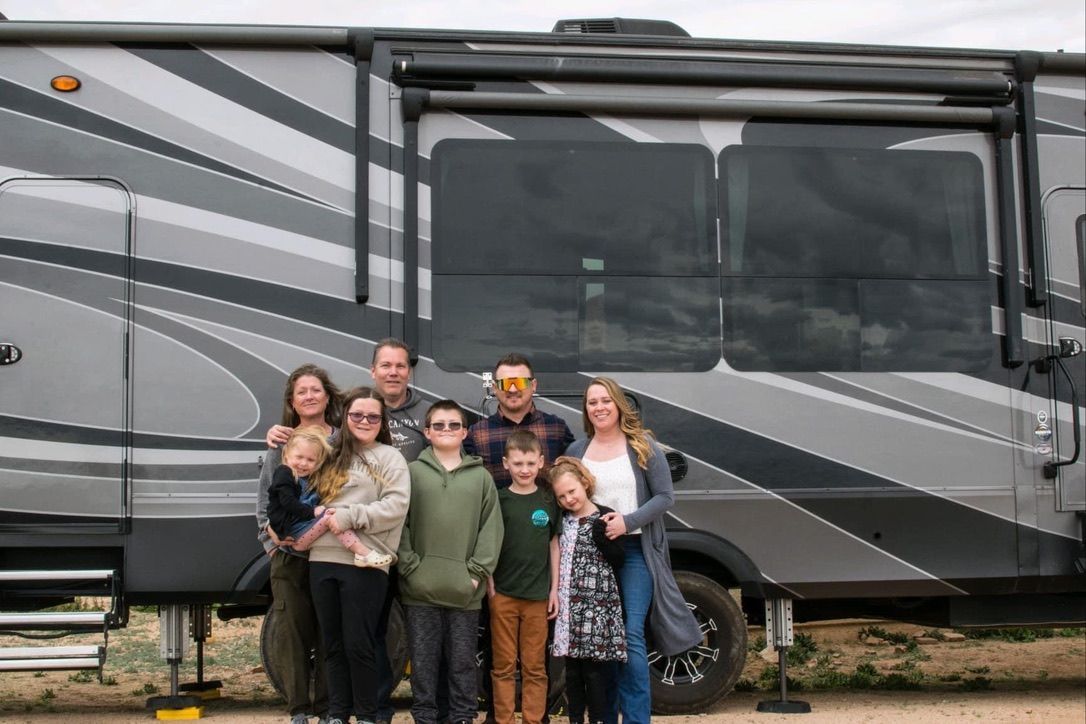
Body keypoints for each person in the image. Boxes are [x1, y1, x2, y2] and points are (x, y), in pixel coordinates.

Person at [566, 377, 702, 724]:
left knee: (630, 634)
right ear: (586, 409)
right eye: (592, 402)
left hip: (635, 551)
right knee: (603, 640)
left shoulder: (642, 446)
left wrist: (628, 521)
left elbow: (665, 497)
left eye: (605, 400)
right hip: (592, 556)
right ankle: (605, 716)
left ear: (618, 405)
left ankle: (637, 719)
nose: (599, 407)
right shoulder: (577, 452)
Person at [307, 387, 410, 724]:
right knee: (332, 644)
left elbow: (395, 507)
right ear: (345, 417)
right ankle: (337, 713)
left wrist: (348, 516)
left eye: (372, 416)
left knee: (359, 643)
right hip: (321, 558)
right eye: (357, 415)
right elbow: (304, 488)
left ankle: (366, 714)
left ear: (382, 422)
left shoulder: (389, 458)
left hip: (366, 562)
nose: (364, 421)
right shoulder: (328, 453)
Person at [398, 400, 505, 724]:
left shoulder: (481, 478)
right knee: (424, 662)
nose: (447, 430)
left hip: (465, 593)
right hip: (420, 592)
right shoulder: (412, 473)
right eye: (439, 425)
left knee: (461, 662)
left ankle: (462, 717)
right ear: (427, 432)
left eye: (454, 425)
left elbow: (492, 529)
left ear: (465, 432)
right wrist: (411, 568)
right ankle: (425, 717)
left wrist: (475, 574)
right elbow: (398, 524)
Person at [256, 363, 342, 724]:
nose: (309, 396)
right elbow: (264, 499)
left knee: (328, 630)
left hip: (331, 552)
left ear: (327, 396)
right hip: (288, 556)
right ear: (292, 400)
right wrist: (271, 540)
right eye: (301, 391)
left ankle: (327, 708)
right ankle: (298, 709)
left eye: (315, 390)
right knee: (291, 632)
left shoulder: (341, 441)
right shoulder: (281, 443)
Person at [488, 430, 560, 724]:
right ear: (506, 463)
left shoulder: (547, 499)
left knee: (535, 666)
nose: (525, 470)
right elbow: (489, 541)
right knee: (503, 664)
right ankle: (504, 719)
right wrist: (488, 579)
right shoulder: (499, 499)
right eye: (518, 464)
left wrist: (555, 589)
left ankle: (533, 719)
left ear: (541, 462)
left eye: (530, 463)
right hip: (502, 595)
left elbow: (553, 545)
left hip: (538, 597)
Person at [548, 457, 626, 724]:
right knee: (572, 672)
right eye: (562, 496)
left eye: (572, 491)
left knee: (595, 672)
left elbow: (619, 558)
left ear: (584, 483)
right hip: (570, 604)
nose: (569, 499)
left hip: (598, 606)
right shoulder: (562, 521)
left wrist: (602, 538)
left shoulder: (604, 516)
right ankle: (575, 719)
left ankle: (599, 719)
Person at [266, 426, 393, 568]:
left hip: (302, 529)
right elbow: (287, 502)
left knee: (332, 514)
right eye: (299, 457)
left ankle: (360, 552)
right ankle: (362, 552)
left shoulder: (311, 477)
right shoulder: (284, 473)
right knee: (330, 518)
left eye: (310, 460)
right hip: (294, 535)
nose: (303, 463)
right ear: (286, 455)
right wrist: (312, 512)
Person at [465, 353, 575, 488]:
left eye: (520, 382)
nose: (512, 389)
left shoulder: (557, 428)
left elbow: (575, 478)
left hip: (546, 509)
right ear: (494, 388)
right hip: (496, 510)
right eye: (505, 383)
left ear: (533, 385)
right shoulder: (477, 434)